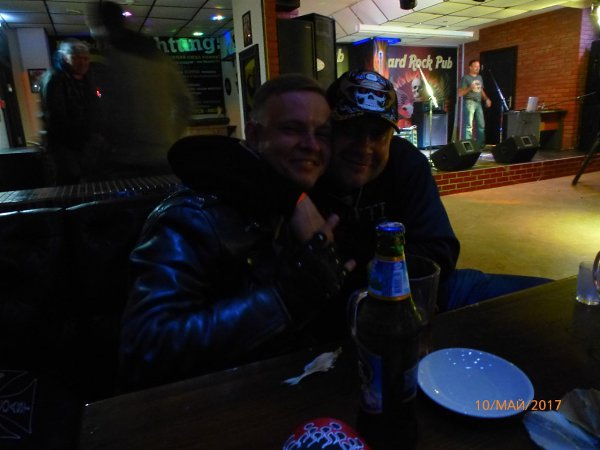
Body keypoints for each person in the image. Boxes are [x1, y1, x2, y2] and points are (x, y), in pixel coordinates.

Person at [119, 74, 351, 391]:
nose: (311, 145)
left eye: (322, 134)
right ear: (253, 135)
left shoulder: (314, 199)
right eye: (292, 129)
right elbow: (146, 349)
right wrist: (283, 299)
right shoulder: (192, 217)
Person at [310, 69, 550, 312]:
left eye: (378, 134)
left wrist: (359, 266)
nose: (365, 147)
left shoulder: (407, 161)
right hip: (341, 311)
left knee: (551, 299)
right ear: (328, 130)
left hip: (425, 292)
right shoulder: (306, 171)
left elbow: (442, 252)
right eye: (352, 130)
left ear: (391, 136)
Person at [85, 1, 192, 179]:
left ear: (100, 25)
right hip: (161, 155)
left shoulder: (108, 61)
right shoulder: (159, 57)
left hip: (123, 160)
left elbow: (104, 113)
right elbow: (185, 102)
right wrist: (169, 136)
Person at [39, 39, 101, 185]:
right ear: (64, 57)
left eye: (85, 58)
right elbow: (56, 117)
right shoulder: (55, 78)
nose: (82, 62)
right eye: (76, 58)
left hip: (82, 145)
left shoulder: (86, 78)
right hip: (65, 147)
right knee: (69, 185)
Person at [458, 59, 492, 150]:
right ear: (470, 67)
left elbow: (481, 90)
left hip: (478, 102)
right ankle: (467, 147)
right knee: (468, 125)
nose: (478, 68)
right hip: (469, 102)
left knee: (481, 125)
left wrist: (486, 99)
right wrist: (470, 88)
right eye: (475, 66)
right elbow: (460, 93)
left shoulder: (479, 77)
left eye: (478, 66)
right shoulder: (465, 78)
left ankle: (480, 146)